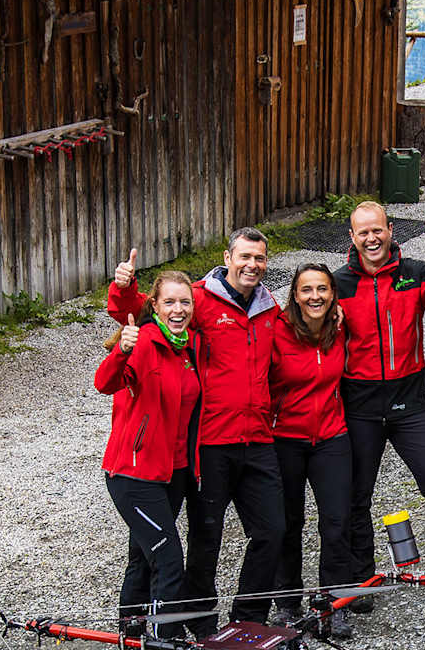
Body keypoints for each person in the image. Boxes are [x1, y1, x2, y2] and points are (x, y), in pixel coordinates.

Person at [109, 229, 285, 635]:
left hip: (257, 438)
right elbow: (144, 311)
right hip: (210, 442)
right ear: (228, 256)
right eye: (244, 256)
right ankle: (200, 622)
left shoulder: (268, 306)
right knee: (206, 539)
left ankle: (249, 619)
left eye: (259, 258)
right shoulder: (200, 297)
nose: (252, 265)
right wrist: (124, 288)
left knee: (273, 529)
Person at [336, 203, 425, 602]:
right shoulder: (338, 282)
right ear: (352, 237)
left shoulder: (412, 273)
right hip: (359, 403)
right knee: (356, 497)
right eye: (363, 233)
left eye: (377, 230)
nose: (372, 238)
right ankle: (360, 581)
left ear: (391, 230)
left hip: (408, 401)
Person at [96, 271, 200, 639]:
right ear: (153, 305)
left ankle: (131, 633)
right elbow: (103, 383)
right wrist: (122, 349)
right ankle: (163, 640)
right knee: (169, 560)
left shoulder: (187, 347)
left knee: (142, 557)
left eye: (185, 302)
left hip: (172, 473)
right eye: (169, 302)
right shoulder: (143, 342)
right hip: (134, 475)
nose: (178, 309)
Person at [269, 264, 355, 638]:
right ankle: (287, 603)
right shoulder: (278, 330)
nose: (315, 296)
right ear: (295, 295)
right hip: (286, 438)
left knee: (336, 523)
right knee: (288, 523)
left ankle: (332, 603)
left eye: (322, 289)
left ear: (333, 294)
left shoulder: (339, 326)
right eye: (306, 290)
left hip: (331, 438)